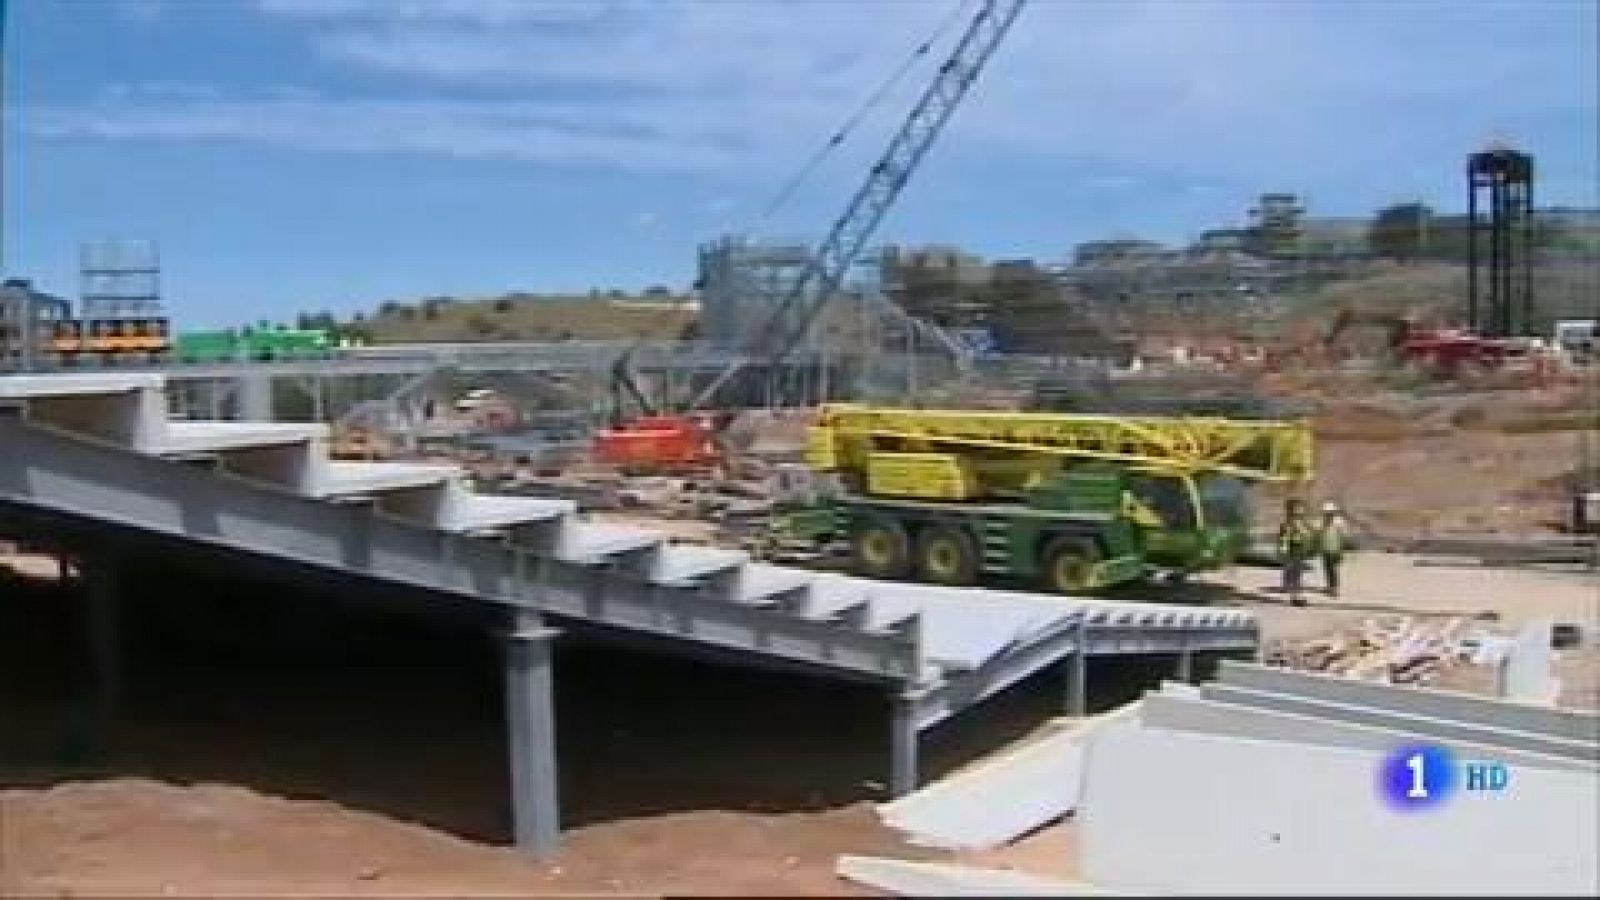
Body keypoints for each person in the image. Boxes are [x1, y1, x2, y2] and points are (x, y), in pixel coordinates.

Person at [1276, 498, 1314, 606]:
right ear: (1292, 510)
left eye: (1301, 508)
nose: (1301, 510)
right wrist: (1283, 549)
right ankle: (1296, 596)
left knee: (1298, 572)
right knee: (1294, 572)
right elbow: (1284, 538)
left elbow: (1307, 534)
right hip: (1293, 548)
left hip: (1300, 548)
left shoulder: (1301, 522)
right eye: (1298, 508)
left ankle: (1296, 595)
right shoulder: (1289, 523)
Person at [1317, 500, 1351, 597]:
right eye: (1327, 513)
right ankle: (1330, 586)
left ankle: (1334, 588)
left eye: (1330, 513)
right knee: (1327, 568)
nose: (1328, 515)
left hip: (1335, 549)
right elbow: (1319, 535)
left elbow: (1344, 535)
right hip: (1325, 549)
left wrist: (1342, 549)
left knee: (1333, 569)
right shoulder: (1321, 522)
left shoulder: (1338, 522)